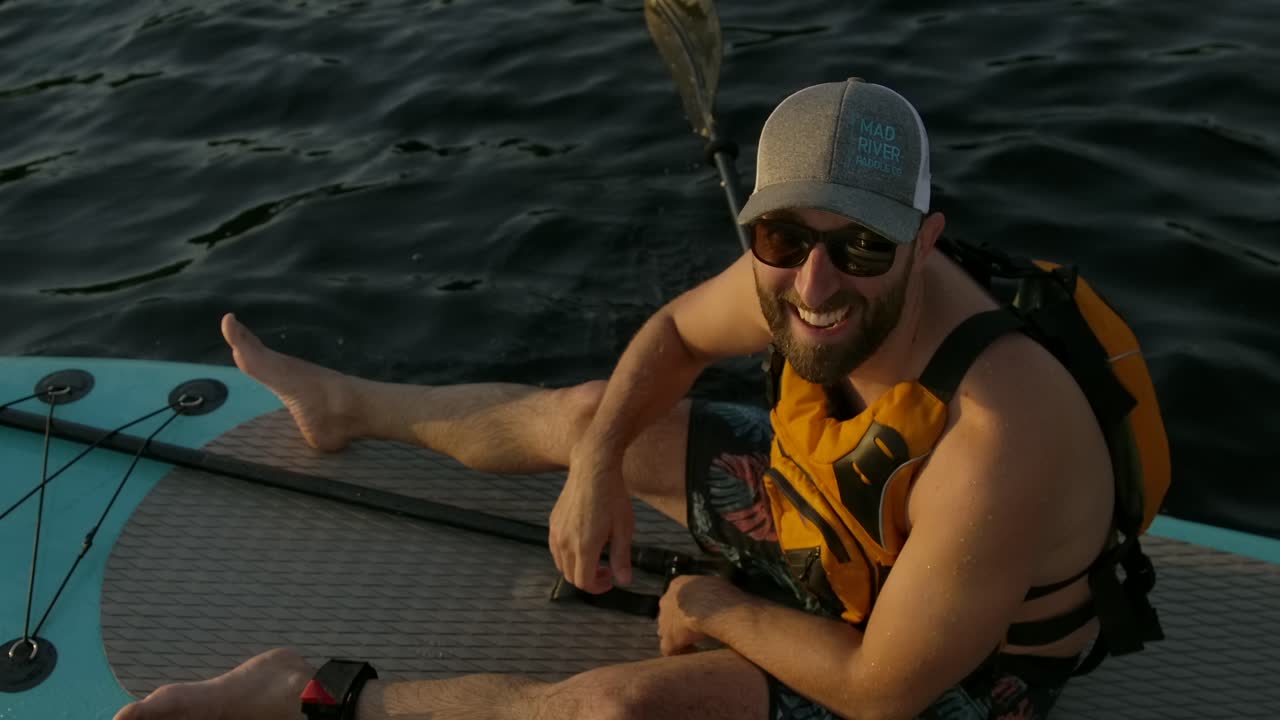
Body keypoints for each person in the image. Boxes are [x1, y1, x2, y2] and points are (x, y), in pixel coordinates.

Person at [114, 79, 1116, 720]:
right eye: (781, 241)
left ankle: (300, 696)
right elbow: (675, 336)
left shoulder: (996, 429)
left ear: (923, 242)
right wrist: (592, 470)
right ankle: (346, 405)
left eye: (858, 248)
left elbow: (881, 688)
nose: (814, 286)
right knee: (597, 409)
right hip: (836, 531)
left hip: (946, 668)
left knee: (614, 712)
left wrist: (710, 603)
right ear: (760, 229)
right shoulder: (796, 276)